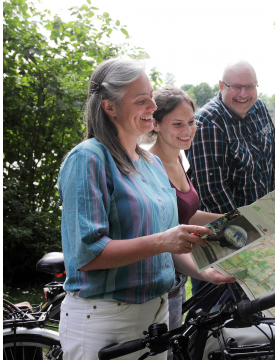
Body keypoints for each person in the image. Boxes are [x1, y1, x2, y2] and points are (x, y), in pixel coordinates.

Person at [57, 58, 234, 360]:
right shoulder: (89, 158)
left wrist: (205, 272)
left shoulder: (151, 164)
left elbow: (170, 249)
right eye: (142, 100)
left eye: (151, 95)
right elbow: (87, 254)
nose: (153, 106)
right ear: (109, 107)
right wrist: (162, 241)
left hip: (157, 317)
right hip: (104, 320)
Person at [186, 60, 275, 292]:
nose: (244, 94)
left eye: (250, 87)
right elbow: (213, 191)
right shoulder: (208, 122)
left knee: (262, 320)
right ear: (221, 86)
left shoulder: (259, 108)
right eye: (236, 87)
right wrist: (251, 236)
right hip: (225, 245)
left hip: (264, 234)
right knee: (220, 319)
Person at [147, 86, 225, 358]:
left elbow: (186, 215)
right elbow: (161, 230)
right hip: (160, 281)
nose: (188, 130)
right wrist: (204, 273)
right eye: (177, 124)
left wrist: (235, 218)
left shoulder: (181, 157)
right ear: (155, 124)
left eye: (191, 122)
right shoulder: (148, 165)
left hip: (178, 279)